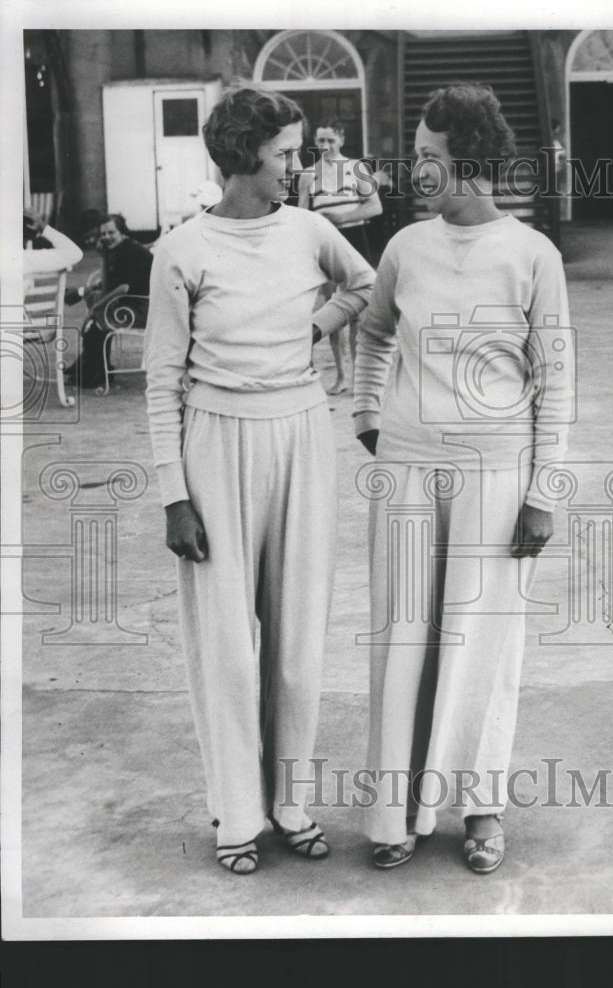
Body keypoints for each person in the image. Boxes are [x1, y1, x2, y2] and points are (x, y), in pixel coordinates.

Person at [144, 86, 374, 875]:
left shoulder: (310, 229)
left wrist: (315, 327)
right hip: (214, 442)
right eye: (285, 153)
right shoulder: (179, 249)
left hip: (302, 433)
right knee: (227, 650)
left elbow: (365, 287)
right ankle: (236, 814)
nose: (297, 165)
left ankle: (291, 802)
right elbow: (160, 382)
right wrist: (175, 493)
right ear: (246, 158)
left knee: (297, 642)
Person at [353, 83, 575, 874]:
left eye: (427, 158)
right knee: (403, 639)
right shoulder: (404, 249)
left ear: (470, 164)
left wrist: (542, 493)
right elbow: (374, 336)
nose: (414, 171)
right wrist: (367, 419)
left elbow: (556, 380)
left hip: (495, 472)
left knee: (483, 645)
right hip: (409, 470)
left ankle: (480, 809)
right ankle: (395, 813)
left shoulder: (532, 255)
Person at [298, 117, 382, 394]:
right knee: (333, 310)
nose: (325, 146)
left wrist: (341, 217)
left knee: (358, 309)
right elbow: (301, 217)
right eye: (320, 140)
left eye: (331, 140)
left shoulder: (357, 169)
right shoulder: (308, 175)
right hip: (324, 247)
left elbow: (374, 207)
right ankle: (341, 376)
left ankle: (359, 376)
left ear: (341, 140)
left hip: (355, 240)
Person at [65, 213, 153, 388]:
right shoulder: (116, 249)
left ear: (121, 232)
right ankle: (94, 370)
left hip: (146, 309)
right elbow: (107, 287)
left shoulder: (130, 250)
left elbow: (123, 289)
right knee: (99, 314)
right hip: (130, 306)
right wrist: (104, 255)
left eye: (111, 232)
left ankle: (95, 373)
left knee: (98, 317)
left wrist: (94, 309)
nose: (106, 237)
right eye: (103, 234)